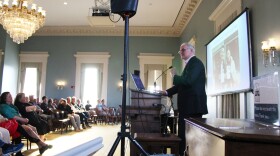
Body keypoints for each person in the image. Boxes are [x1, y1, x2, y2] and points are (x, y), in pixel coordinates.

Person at [160, 43, 208, 156]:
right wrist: (167, 92)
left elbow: (188, 81)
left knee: (191, 137)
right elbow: (182, 85)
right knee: (183, 135)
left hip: (193, 107)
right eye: (180, 51)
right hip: (187, 107)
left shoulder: (196, 63)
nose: (181, 52)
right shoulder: (189, 64)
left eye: (183, 50)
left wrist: (175, 76)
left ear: (192, 50)